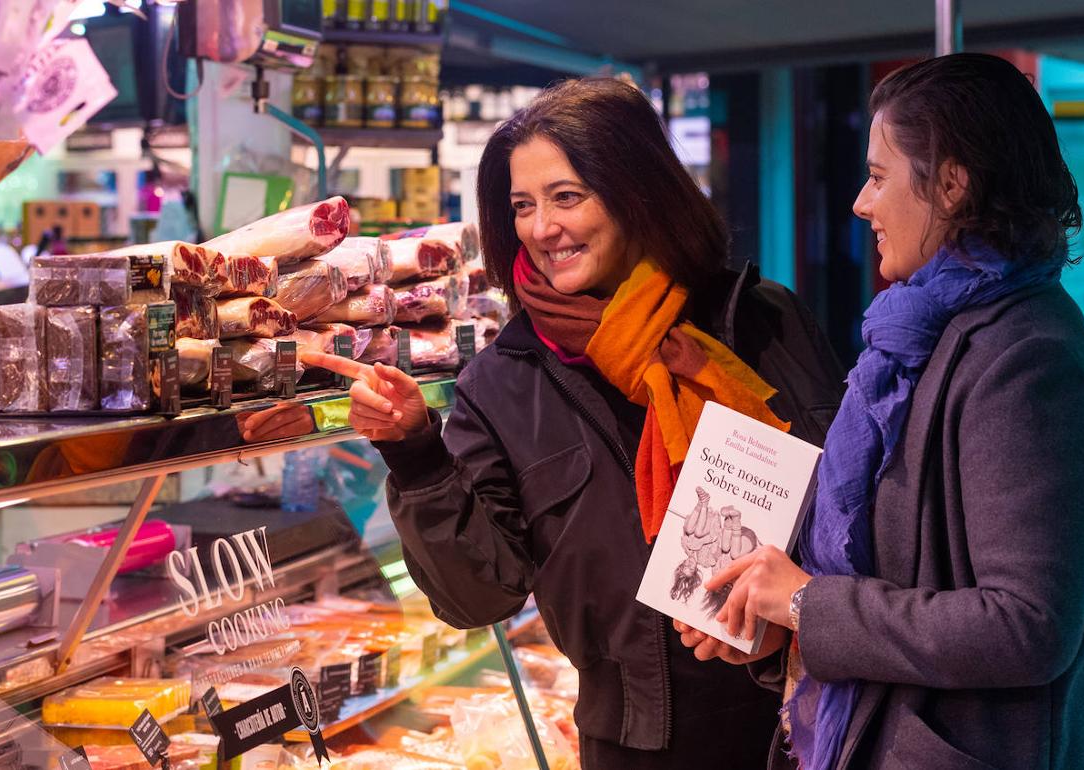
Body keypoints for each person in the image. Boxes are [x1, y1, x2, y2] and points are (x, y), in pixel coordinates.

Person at [308, 77, 845, 768]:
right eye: (523, 206)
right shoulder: (504, 382)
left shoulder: (763, 321)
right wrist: (416, 453)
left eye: (567, 197)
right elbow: (478, 595)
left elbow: (857, 501)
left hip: (817, 712)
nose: (542, 228)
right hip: (641, 748)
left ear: (637, 190)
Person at [679, 53, 1084, 769]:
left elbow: (1026, 626)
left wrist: (805, 606)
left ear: (951, 185)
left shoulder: (1028, 355)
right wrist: (778, 625)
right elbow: (894, 577)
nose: (860, 202)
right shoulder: (919, 335)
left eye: (880, 176)